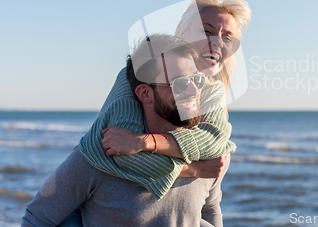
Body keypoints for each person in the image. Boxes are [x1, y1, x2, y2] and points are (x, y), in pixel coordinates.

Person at [22, 35, 229, 227]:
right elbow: (36, 219)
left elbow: (209, 210)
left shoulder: (205, 158)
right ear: (145, 93)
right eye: (180, 83)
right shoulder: (100, 155)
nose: (194, 91)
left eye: (196, 79)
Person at [77, 0, 251, 200]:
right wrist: (194, 169)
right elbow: (121, 151)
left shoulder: (213, 91)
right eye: (206, 31)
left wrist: (146, 142)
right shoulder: (140, 75)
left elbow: (213, 145)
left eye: (227, 37)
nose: (218, 42)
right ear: (184, 35)